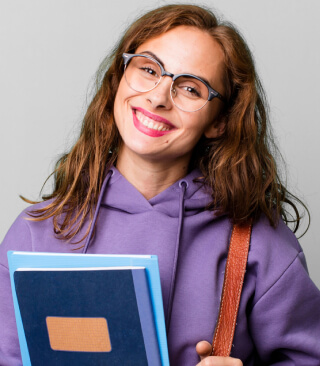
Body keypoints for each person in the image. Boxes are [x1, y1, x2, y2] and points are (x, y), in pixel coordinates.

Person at [1, 4, 320, 366]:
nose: (157, 97)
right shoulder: (36, 231)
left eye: (190, 89)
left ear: (219, 122)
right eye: (148, 69)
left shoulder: (261, 247)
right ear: (120, 77)